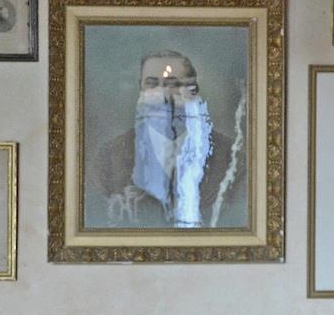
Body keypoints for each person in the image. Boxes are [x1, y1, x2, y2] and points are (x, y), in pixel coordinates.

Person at [89, 51, 241, 229]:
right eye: (152, 84)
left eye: (173, 85)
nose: (162, 96)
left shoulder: (232, 159)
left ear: (192, 92)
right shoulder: (109, 159)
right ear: (141, 90)